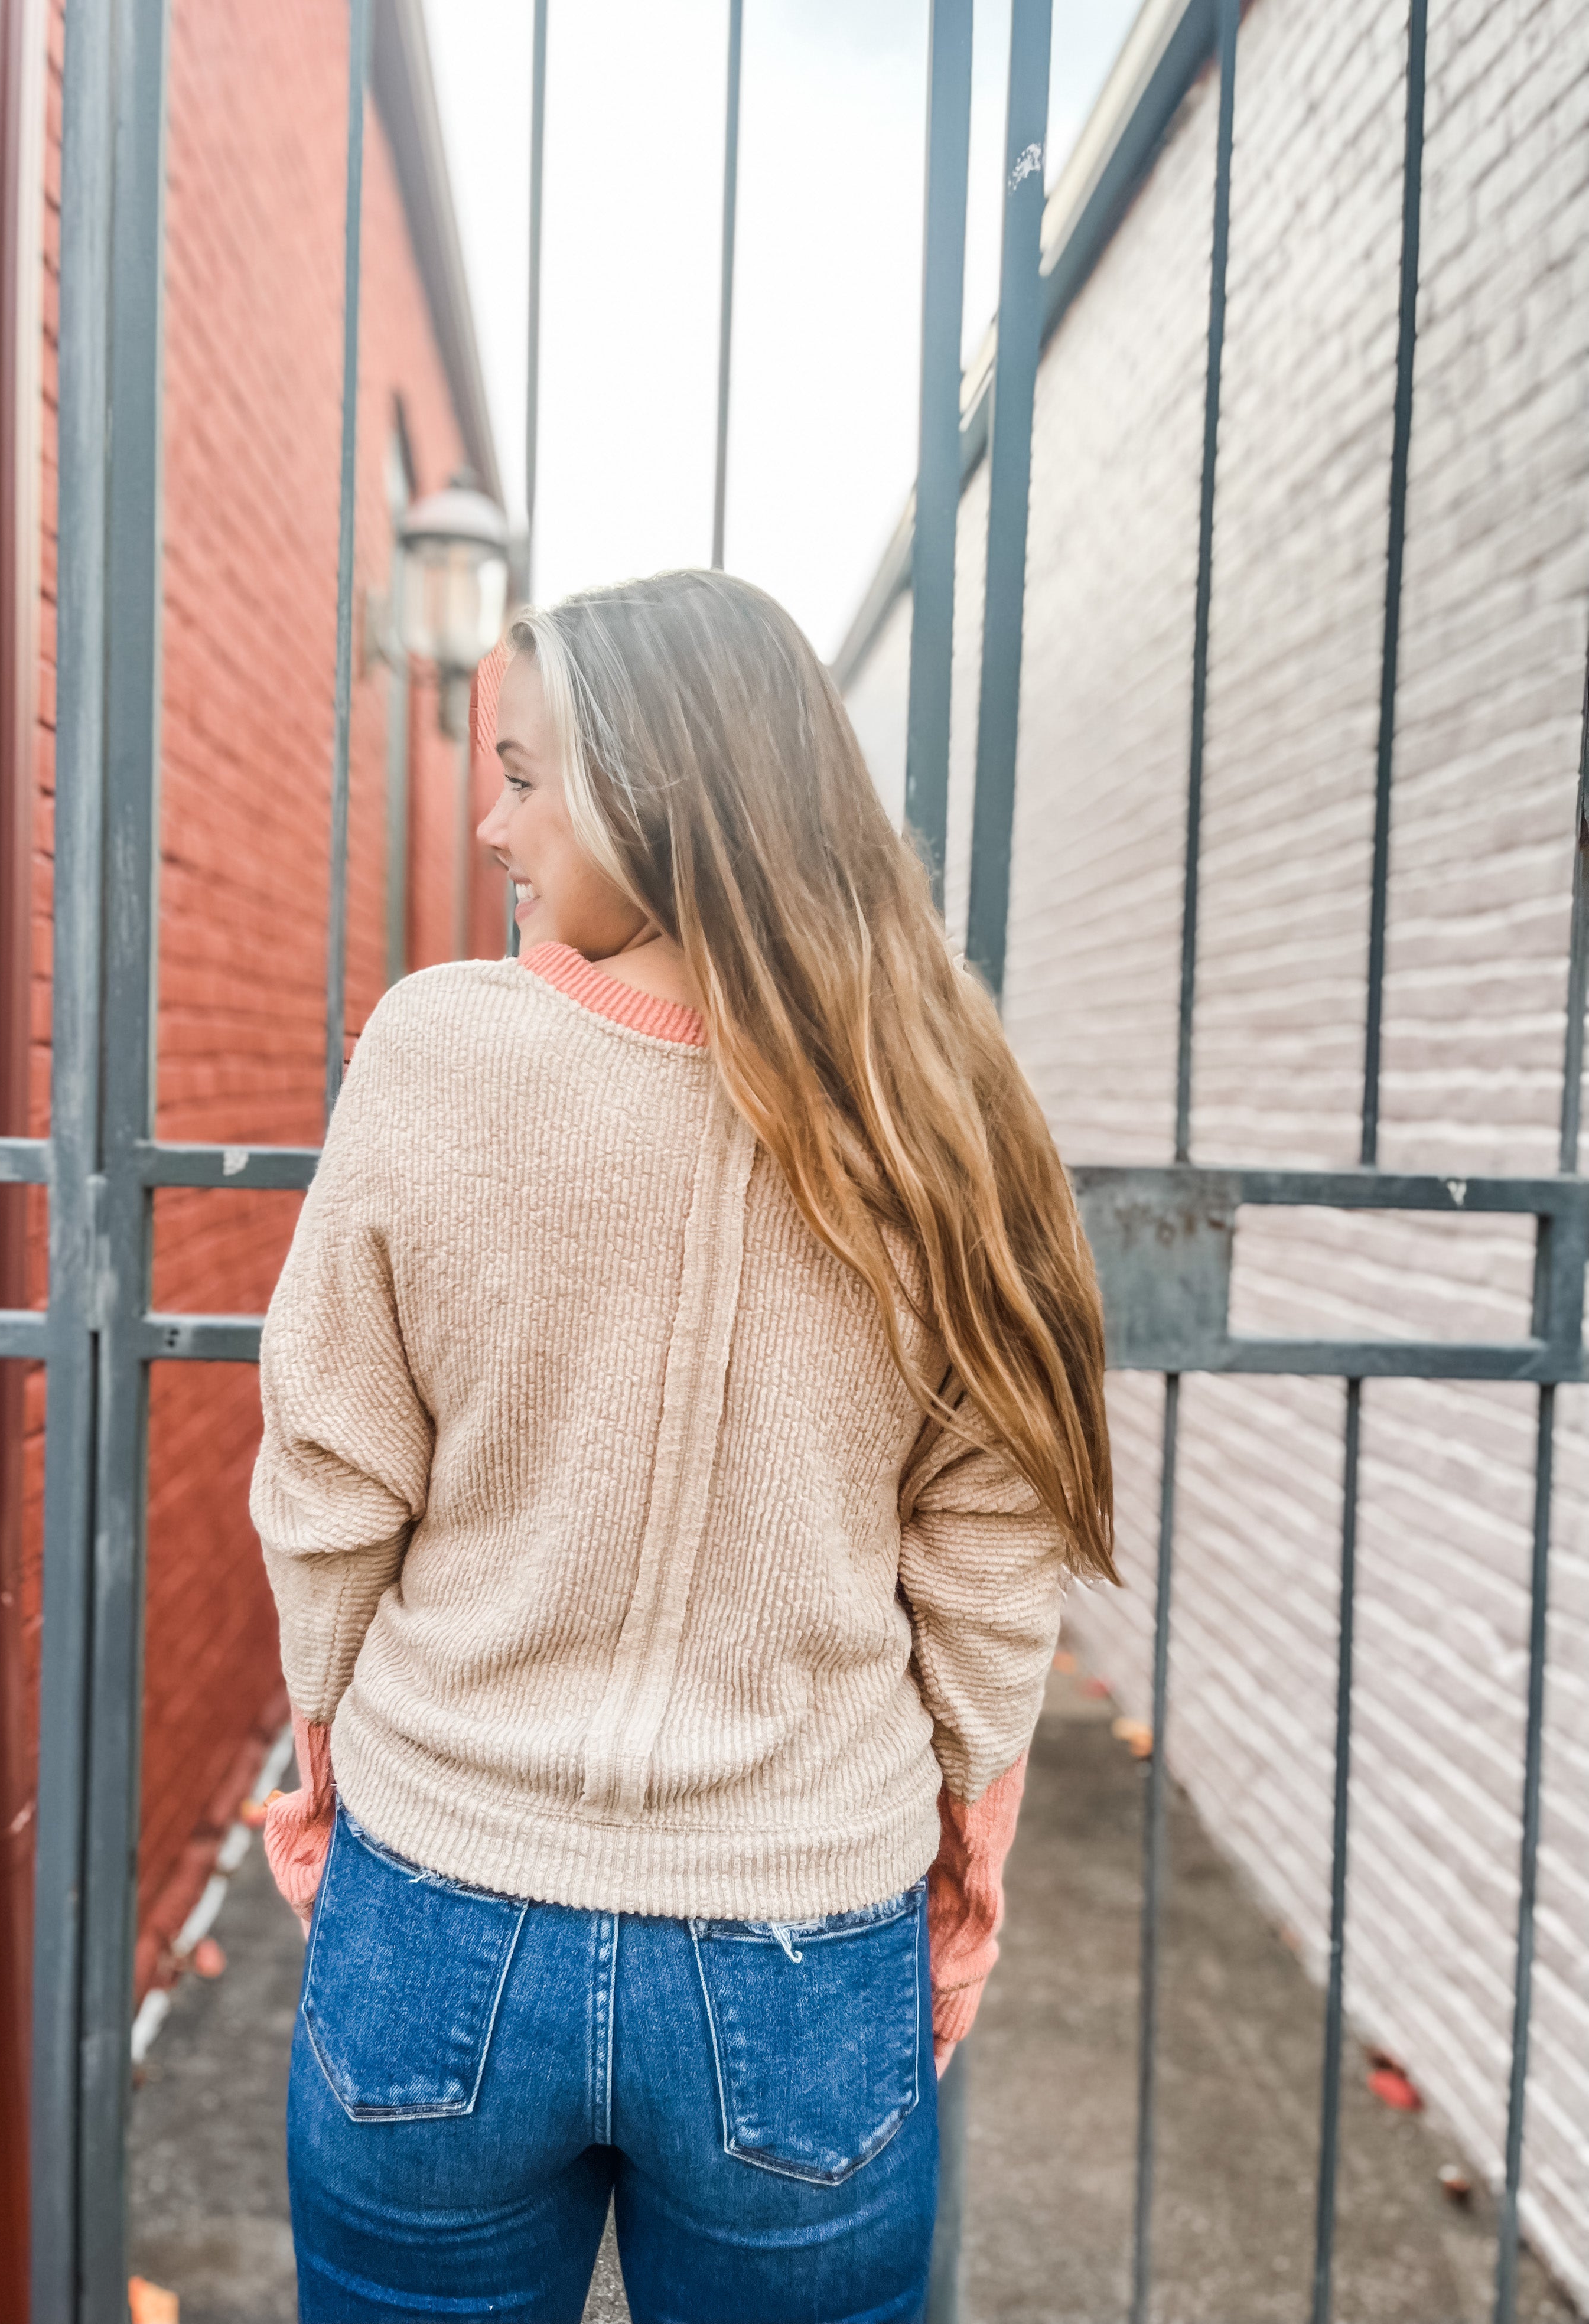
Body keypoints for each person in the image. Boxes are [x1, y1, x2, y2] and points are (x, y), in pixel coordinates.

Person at [250, 569, 1114, 2322]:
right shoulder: (940, 1094)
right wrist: (972, 1838)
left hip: (443, 1905)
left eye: (522, 772)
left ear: (651, 778)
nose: (494, 823)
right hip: (803, 1956)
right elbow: (992, 1537)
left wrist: (329, 1739)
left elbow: (334, 1472)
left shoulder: (438, 1046)